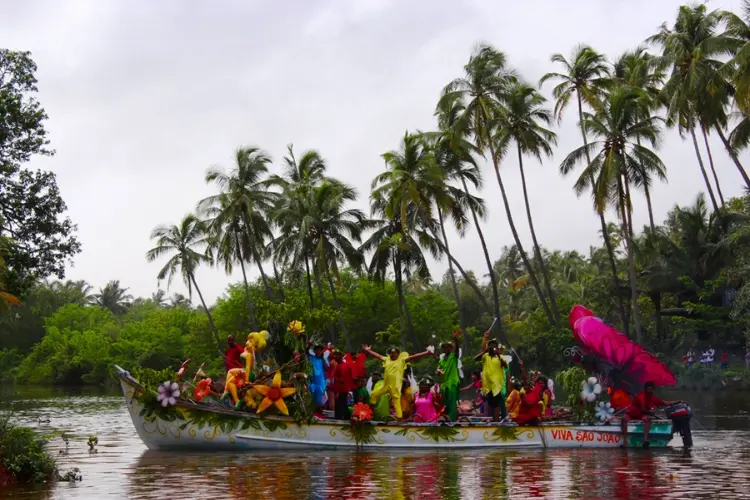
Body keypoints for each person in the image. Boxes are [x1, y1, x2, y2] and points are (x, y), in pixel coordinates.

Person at [362, 345, 432, 420]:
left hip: (395, 388)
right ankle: (371, 411)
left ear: (398, 354)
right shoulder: (386, 359)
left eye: (395, 353)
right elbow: (378, 356)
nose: (393, 354)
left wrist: (426, 352)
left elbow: (413, 357)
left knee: (397, 404)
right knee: (373, 394)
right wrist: (369, 351)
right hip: (385, 386)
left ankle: (399, 419)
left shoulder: (402, 360)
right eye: (392, 353)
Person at [620, 381, 675, 448]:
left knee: (647, 420)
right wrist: (651, 410)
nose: (650, 391)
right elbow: (643, 408)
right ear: (645, 389)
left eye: (651, 390)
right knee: (624, 419)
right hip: (632, 413)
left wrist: (678, 401)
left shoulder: (653, 398)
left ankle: (645, 440)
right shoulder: (641, 396)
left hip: (640, 415)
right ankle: (625, 441)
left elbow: (666, 403)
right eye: (648, 389)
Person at [474, 334, 508, 422]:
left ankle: (496, 421)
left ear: (496, 348)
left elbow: (505, 365)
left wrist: (499, 355)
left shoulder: (500, 357)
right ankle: (493, 419)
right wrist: (484, 351)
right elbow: (476, 359)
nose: (492, 347)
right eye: (490, 345)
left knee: (496, 404)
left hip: (496, 385)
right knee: (491, 403)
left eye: (494, 346)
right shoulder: (485, 356)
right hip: (488, 385)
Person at [435, 331, 461, 421]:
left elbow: (457, 350)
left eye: (448, 347)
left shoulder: (453, 357)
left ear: (451, 348)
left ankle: (452, 420)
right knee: (444, 403)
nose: (446, 348)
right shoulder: (442, 360)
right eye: (444, 347)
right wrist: (438, 371)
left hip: (452, 382)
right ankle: (445, 418)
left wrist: (456, 340)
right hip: (444, 384)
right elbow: (438, 369)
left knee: (452, 402)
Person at [330, 351, 354, 420]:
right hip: (341, 389)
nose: (334, 357)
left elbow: (342, 380)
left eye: (336, 355)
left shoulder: (342, 366)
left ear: (340, 357)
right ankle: (345, 417)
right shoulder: (339, 365)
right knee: (342, 404)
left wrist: (338, 392)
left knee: (340, 405)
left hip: (341, 390)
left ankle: (341, 419)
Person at [307, 343, 330, 416]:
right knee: (312, 398)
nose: (318, 352)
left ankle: (320, 415)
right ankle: (312, 414)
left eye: (320, 350)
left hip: (320, 382)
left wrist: (323, 359)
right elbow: (306, 352)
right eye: (317, 350)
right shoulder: (312, 358)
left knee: (319, 400)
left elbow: (327, 368)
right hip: (312, 380)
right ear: (315, 351)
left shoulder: (324, 359)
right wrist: (309, 346)